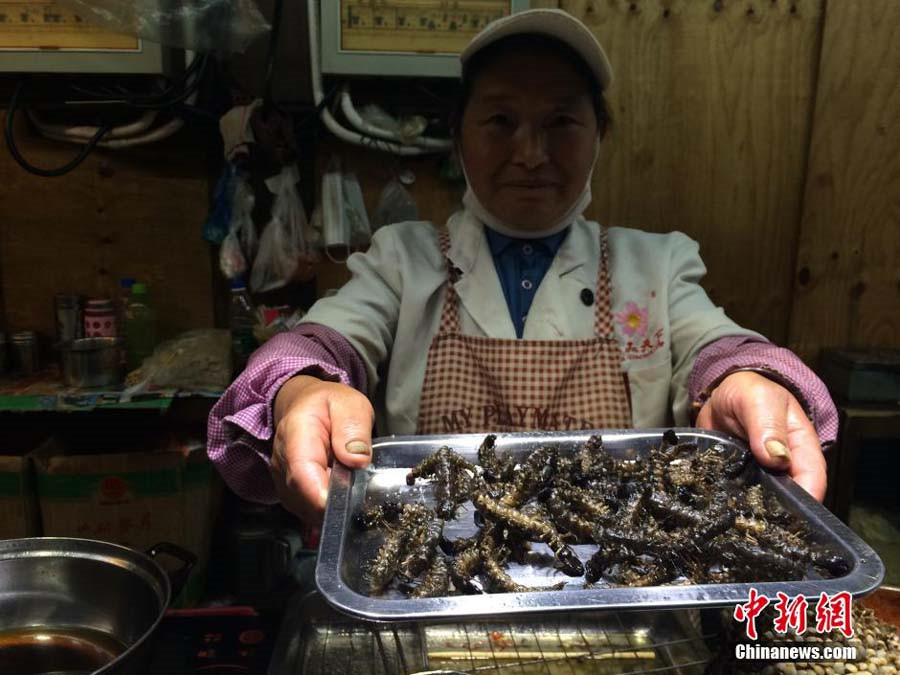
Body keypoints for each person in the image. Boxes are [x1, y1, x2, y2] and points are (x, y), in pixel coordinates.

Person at [208, 9, 836, 525]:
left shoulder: (659, 263)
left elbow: (716, 346)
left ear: (598, 137)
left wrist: (744, 379)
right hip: (431, 579)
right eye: (501, 121)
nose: (530, 154)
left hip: (622, 584)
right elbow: (325, 339)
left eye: (561, 122)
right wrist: (302, 388)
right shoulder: (404, 259)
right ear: (460, 136)